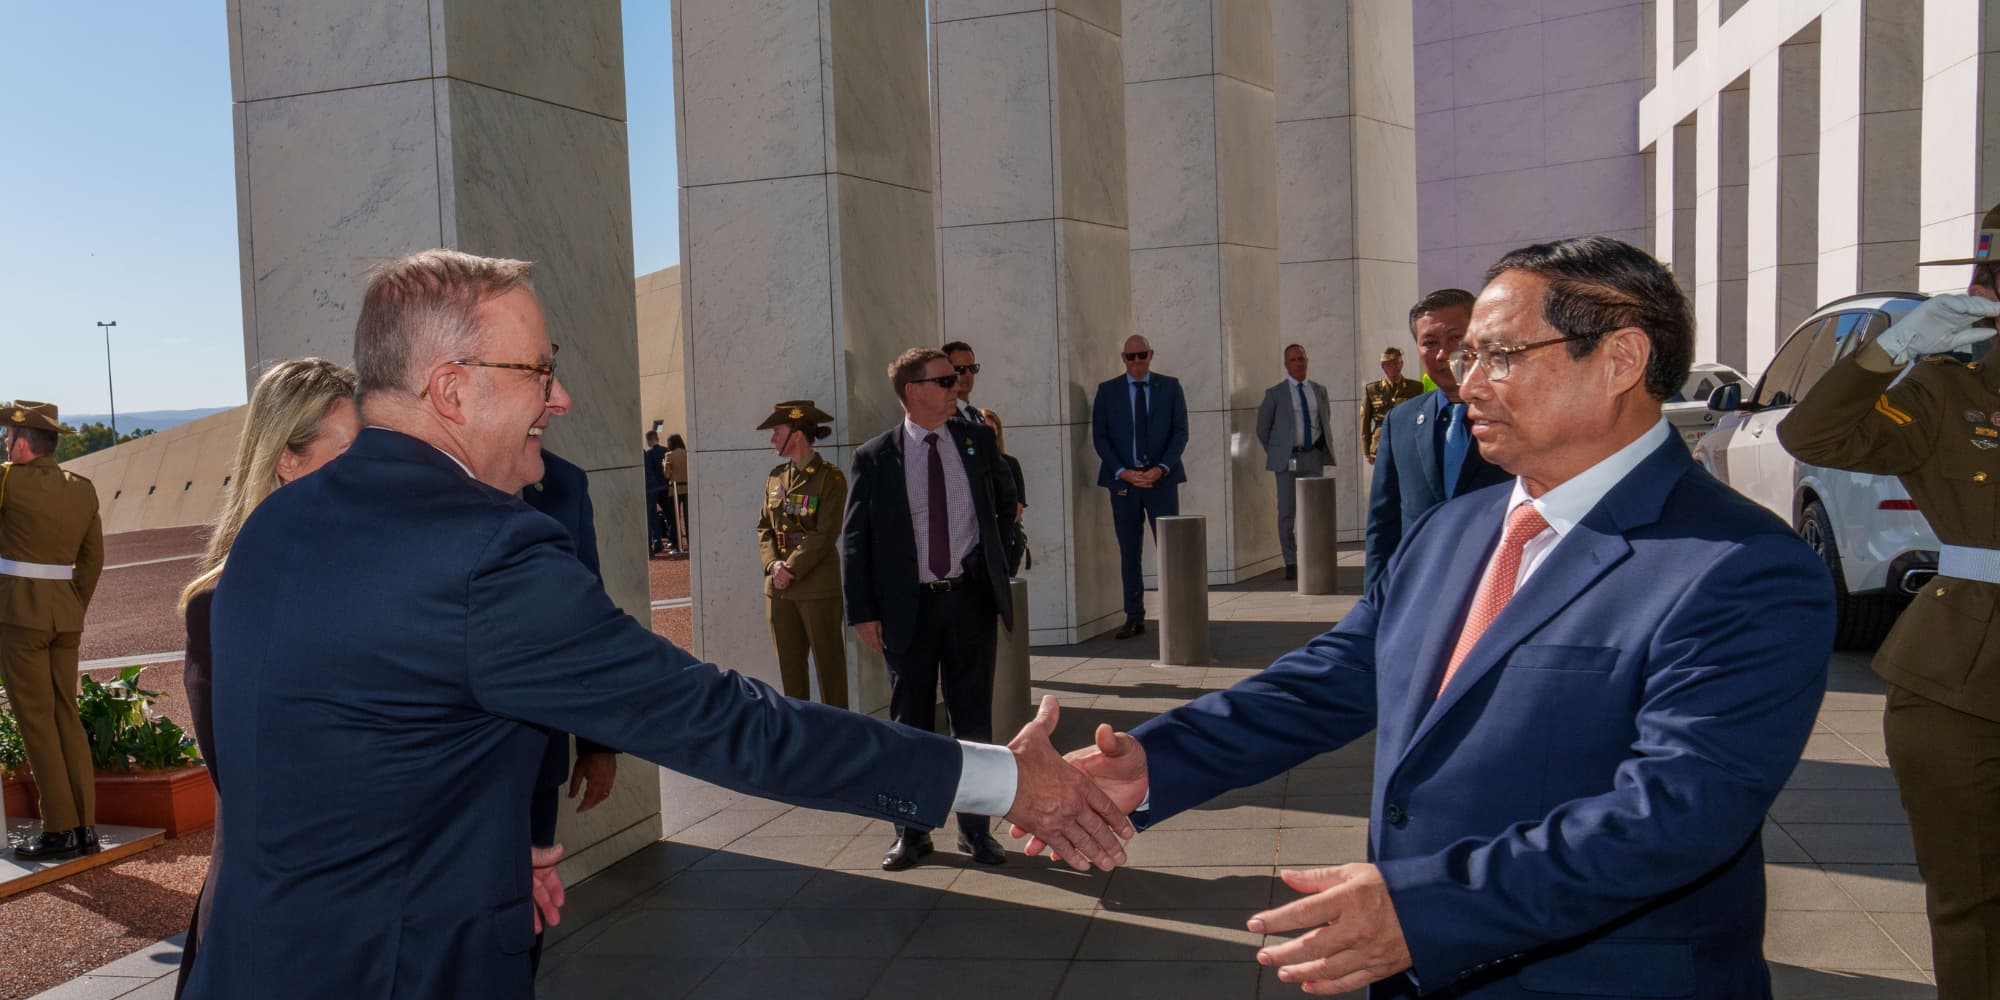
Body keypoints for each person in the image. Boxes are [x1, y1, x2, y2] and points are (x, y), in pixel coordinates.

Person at [184, 249, 1132, 1000]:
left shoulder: (276, 528)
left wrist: (494, 845)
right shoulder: (482, 555)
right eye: (540, 371)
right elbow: (730, 725)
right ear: (453, 389)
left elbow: (347, 753)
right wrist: (999, 779)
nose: (560, 398)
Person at [1033, 237, 1836, 997]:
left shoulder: (1740, 568)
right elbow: (1333, 679)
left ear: (1621, 359)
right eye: (1466, 356)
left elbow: (1674, 813)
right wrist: (1154, 759)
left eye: (1501, 355)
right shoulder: (1456, 527)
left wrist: (1426, 906)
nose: (1468, 382)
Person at [1777, 206, 2000, 1000]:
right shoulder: (1948, 386)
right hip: (1963, 679)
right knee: (1972, 903)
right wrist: (1892, 350)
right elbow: (1814, 435)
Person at [172, 359, 361, 996]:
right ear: (287, 458)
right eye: (351, 451)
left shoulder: (381, 579)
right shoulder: (220, 605)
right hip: (280, 920)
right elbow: (251, 783)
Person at [842, 348, 1019, 870]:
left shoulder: (977, 440)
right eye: (945, 380)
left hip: (968, 602)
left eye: (958, 376)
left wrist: (992, 567)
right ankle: (912, 833)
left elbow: (1006, 506)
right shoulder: (875, 456)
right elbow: (854, 541)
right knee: (910, 723)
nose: (956, 386)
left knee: (973, 722)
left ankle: (975, 831)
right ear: (912, 391)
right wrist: (864, 612)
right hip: (906, 610)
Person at [517, 447, 618, 974]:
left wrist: (599, 742)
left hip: (536, 754)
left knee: (524, 930)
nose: (557, 400)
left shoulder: (563, 483)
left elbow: (588, 617)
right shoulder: (419, 472)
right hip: (437, 774)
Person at [0, 400, 105, 862]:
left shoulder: (7, 480)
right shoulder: (82, 489)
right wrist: (69, 604)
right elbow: (92, 560)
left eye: (8, 438)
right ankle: (85, 827)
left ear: (23, 444)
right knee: (66, 716)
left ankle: (59, 828)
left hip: (18, 615)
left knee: (37, 722)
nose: (6, 444)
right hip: (65, 615)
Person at [1364, 289, 1511, 592]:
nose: (1443, 354)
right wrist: (1377, 611)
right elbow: (1383, 525)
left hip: (1499, 592)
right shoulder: (1400, 421)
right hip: (1422, 593)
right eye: (1430, 343)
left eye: (1455, 339)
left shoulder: (1517, 414)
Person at [1090, 335, 1189, 639]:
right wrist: (1124, 473)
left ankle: (1180, 614)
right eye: (1130, 357)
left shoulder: (1169, 387)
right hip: (1125, 485)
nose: (1136, 361)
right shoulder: (1108, 392)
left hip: (1162, 481)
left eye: (1141, 355)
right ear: (1123, 358)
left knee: (1171, 551)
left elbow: (1180, 433)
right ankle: (1134, 615)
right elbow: (1100, 437)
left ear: (1151, 355)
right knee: (1129, 552)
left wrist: (1161, 469)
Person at [756, 400, 848, 710]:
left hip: (817, 587)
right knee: (791, 676)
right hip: (779, 590)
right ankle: (800, 743)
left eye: (776, 431)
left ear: (796, 433)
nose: (772, 439)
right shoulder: (775, 477)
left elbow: (825, 534)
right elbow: (763, 528)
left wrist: (791, 568)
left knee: (830, 673)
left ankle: (841, 743)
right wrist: (773, 565)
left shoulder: (829, 478)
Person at [1255, 344, 1335, 581]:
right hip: (1287, 459)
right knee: (1287, 513)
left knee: (1314, 511)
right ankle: (1290, 561)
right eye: (1293, 360)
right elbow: (1262, 428)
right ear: (1286, 364)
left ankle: (1314, 557)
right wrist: (1277, 450)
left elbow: (1325, 419)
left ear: (1307, 361)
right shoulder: (1275, 393)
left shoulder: (1319, 390)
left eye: (1301, 358)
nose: (1298, 363)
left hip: (1313, 457)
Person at [980, 407, 1030, 576]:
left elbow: (1017, 507)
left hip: (1005, 539)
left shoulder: (1010, 463)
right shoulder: (969, 466)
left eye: (992, 431)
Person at [1359, 346, 1424, 464]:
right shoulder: (1372, 389)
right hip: (1380, 444)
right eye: (1389, 365)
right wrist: (1366, 450)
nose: (1393, 368)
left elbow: (1421, 418)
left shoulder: (1415, 388)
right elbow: (1365, 421)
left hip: (1407, 441)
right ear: (1383, 367)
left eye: (1396, 363)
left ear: (1402, 364)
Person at [943, 340, 985, 424]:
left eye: (972, 368)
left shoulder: (977, 415)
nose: (968, 374)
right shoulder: (942, 416)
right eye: (960, 369)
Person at [662, 432, 690, 555]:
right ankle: (691, 543)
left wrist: (664, 465)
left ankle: (675, 545)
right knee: (688, 518)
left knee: (674, 518)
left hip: (675, 490)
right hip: (688, 488)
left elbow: (667, 475)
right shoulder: (687, 453)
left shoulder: (669, 455)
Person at [643, 429, 669, 556]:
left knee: (649, 516)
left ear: (649, 440)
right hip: (664, 486)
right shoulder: (665, 450)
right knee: (660, 515)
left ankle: (650, 544)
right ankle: (658, 541)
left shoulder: (648, 453)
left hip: (650, 488)